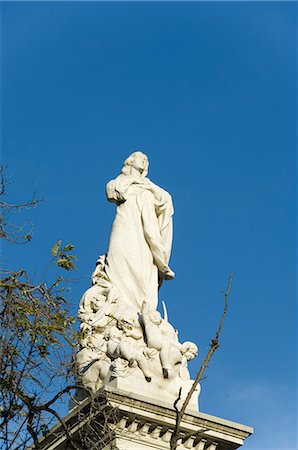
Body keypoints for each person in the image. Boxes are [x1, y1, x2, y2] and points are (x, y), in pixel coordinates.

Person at [105, 151, 174, 311]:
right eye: (140, 158)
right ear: (130, 161)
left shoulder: (149, 187)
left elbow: (165, 200)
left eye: (146, 159)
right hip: (124, 225)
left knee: (142, 268)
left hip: (142, 232)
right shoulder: (119, 182)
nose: (143, 160)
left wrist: (146, 186)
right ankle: (117, 307)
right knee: (118, 260)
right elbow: (113, 192)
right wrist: (133, 181)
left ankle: (142, 312)